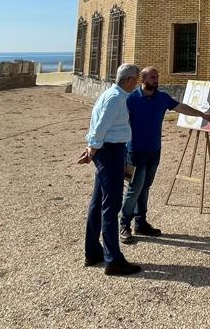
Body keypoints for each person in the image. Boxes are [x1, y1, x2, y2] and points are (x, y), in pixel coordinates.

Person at [120, 66, 210, 243]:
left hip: (154, 151)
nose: (156, 80)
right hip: (134, 152)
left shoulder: (162, 98)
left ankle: (141, 223)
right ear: (143, 79)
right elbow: (117, 120)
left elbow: (181, 108)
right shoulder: (130, 99)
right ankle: (124, 224)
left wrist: (202, 115)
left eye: (157, 77)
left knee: (145, 187)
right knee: (134, 189)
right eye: (152, 77)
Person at [77, 63, 142, 275]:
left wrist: (93, 148)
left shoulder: (111, 94)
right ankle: (113, 259)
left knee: (98, 204)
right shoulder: (116, 98)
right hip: (111, 152)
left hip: (108, 151)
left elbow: (98, 124)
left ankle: (93, 251)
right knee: (110, 207)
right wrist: (92, 148)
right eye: (136, 79)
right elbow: (100, 126)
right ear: (129, 79)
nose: (138, 83)